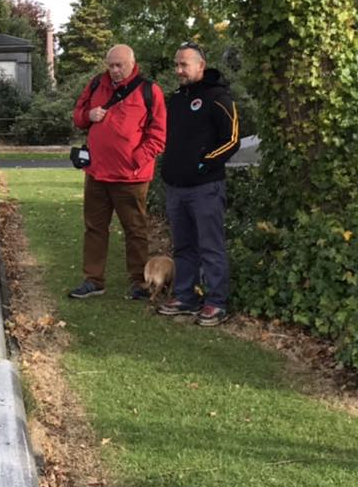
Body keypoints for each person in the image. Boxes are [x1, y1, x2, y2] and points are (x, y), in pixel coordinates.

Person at [68, 44, 168, 300]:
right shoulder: (95, 85)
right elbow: (78, 117)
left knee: (135, 230)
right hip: (97, 173)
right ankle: (93, 279)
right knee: (95, 228)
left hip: (131, 178)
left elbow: (158, 135)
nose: (114, 70)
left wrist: (137, 159)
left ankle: (139, 281)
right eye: (110, 65)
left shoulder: (149, 91)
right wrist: (89, 114)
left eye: (119, 65)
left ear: (132, 63)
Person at [157, 42, 241, 324]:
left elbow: (232, 140)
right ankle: (186, 296)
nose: (179, 70)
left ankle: (216, 301)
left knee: (210, 246)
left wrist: (206, 162)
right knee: (183, 246)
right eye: (177, 64)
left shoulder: (218, 97)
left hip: (205, 188)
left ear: (201, 66)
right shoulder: (178, 99)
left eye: (185, 64)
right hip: (176, 188)